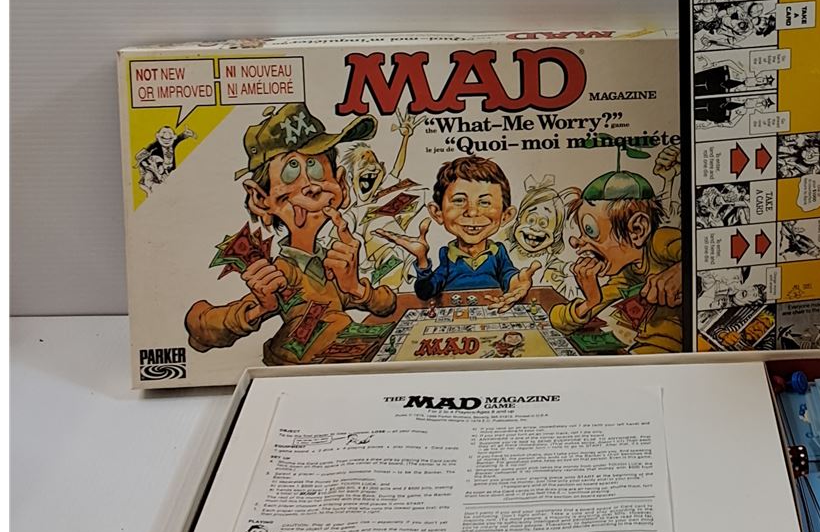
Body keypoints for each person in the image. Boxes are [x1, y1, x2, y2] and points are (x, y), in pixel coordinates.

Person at [185, 103, 399, 365]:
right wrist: (257, 309)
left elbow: (386, 304)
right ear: (260, 199)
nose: (310, 186)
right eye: (291, 170)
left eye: (316, 167)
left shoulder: (331, 266)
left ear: (341, 184)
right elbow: (201, 329)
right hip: (293, 371)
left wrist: (355, 287)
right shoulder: (283, 274)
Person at [549, 168, 685, 353]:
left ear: (637, 230)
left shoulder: (661, 242)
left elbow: (699, 255)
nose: (577, 242)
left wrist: (679, 273)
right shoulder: (626, 273)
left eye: (591, 231)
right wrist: (591, 301)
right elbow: (558, 320)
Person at [390, 156, 535, 305]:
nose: (472, 212)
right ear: (437, 213)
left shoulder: (498, 253)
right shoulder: (447, 257)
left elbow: (508, 275)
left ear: (506, 215)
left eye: (485, 202)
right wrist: (422, 259)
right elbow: (426, 292)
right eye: (459, 200)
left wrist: (517, 282)